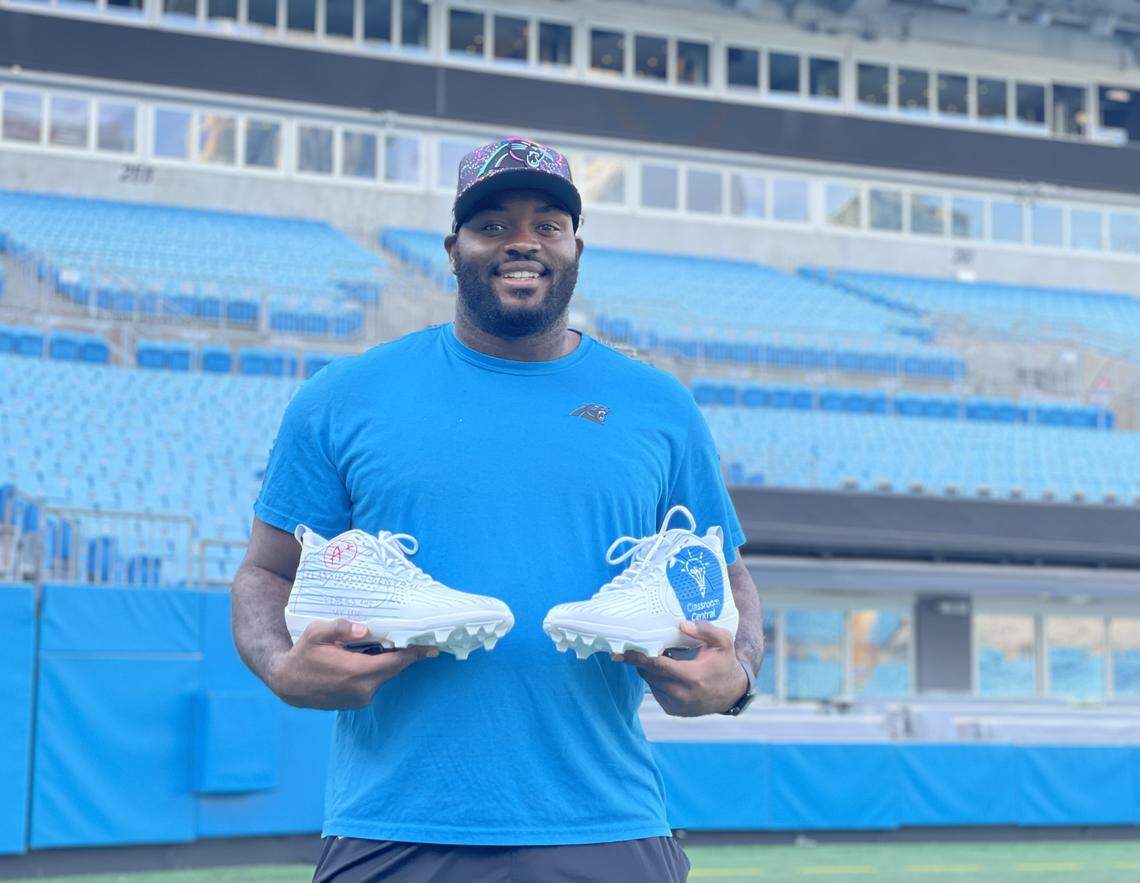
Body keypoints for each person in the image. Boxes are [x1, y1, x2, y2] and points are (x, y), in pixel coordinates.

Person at [231, 136, 765, 883]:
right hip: (395, 827)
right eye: (493, 224)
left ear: (577, 246)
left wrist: (736, 678)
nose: (523, 242)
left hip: (605, 824)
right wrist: (282, 667)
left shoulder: (659, 408)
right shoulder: (344, 397)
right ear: (453, 249)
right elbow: (264, 572)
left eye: (547, 223)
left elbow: (726, 573)